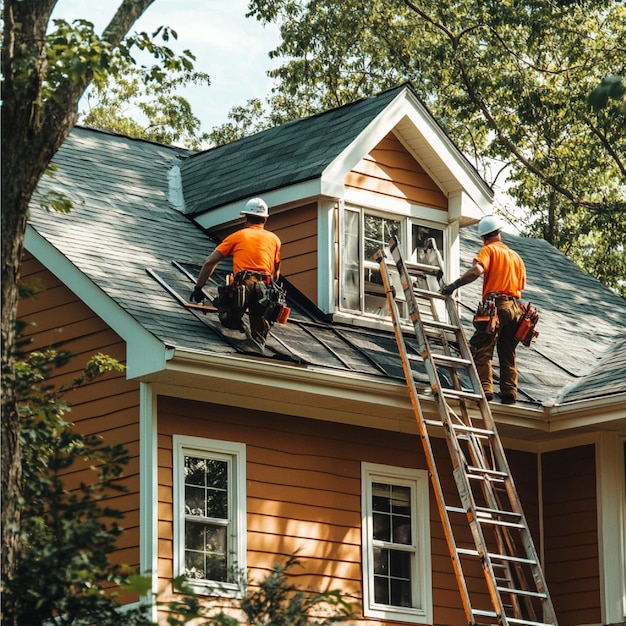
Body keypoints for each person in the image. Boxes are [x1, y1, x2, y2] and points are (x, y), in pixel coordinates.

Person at [440, 215, 526, 404]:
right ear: (499, 233)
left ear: (484, 237)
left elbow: (476, 271)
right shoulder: (516, 257)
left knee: (482, 348)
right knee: (507, 351)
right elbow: (520, 285)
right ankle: (509, 392)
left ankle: (485, 389)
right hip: (516, 310)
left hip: (497, 306)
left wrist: (453, 286)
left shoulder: (489, 250)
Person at [191, 197, 282, 350]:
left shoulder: (238, 236)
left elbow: (210, 262)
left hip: (243, 284)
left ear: (245, 217)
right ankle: (257, 346)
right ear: (265, 219)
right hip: (265, 285)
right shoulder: (275, 240)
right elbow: (276, 273)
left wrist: (198, 288)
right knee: (260, 328)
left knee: (227, 316)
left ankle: (238, 324)